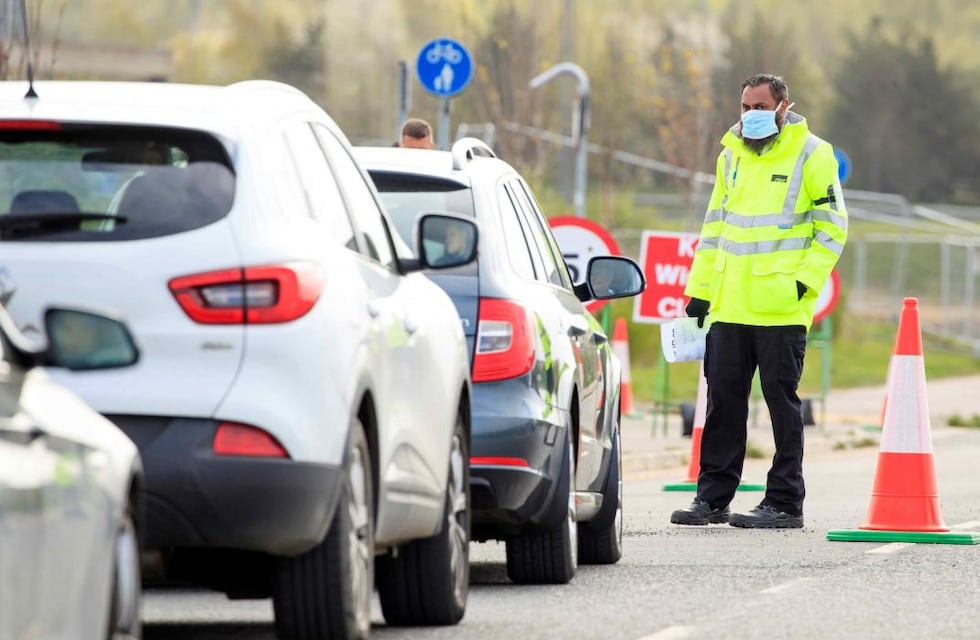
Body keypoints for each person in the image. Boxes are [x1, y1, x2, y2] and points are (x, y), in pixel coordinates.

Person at [670, 73, 847, 529]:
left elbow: (832, 229)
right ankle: (712, 499)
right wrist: (700, 290)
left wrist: (801, 285)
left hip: (781, 307)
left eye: (761, 106)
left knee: (780, 403)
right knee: (723, 404)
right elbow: (715, 230)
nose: (751, 115)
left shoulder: (813, 153)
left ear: (784, 105)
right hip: (729, 304)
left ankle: (785, 502)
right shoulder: (730, 157)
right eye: (746, 106)